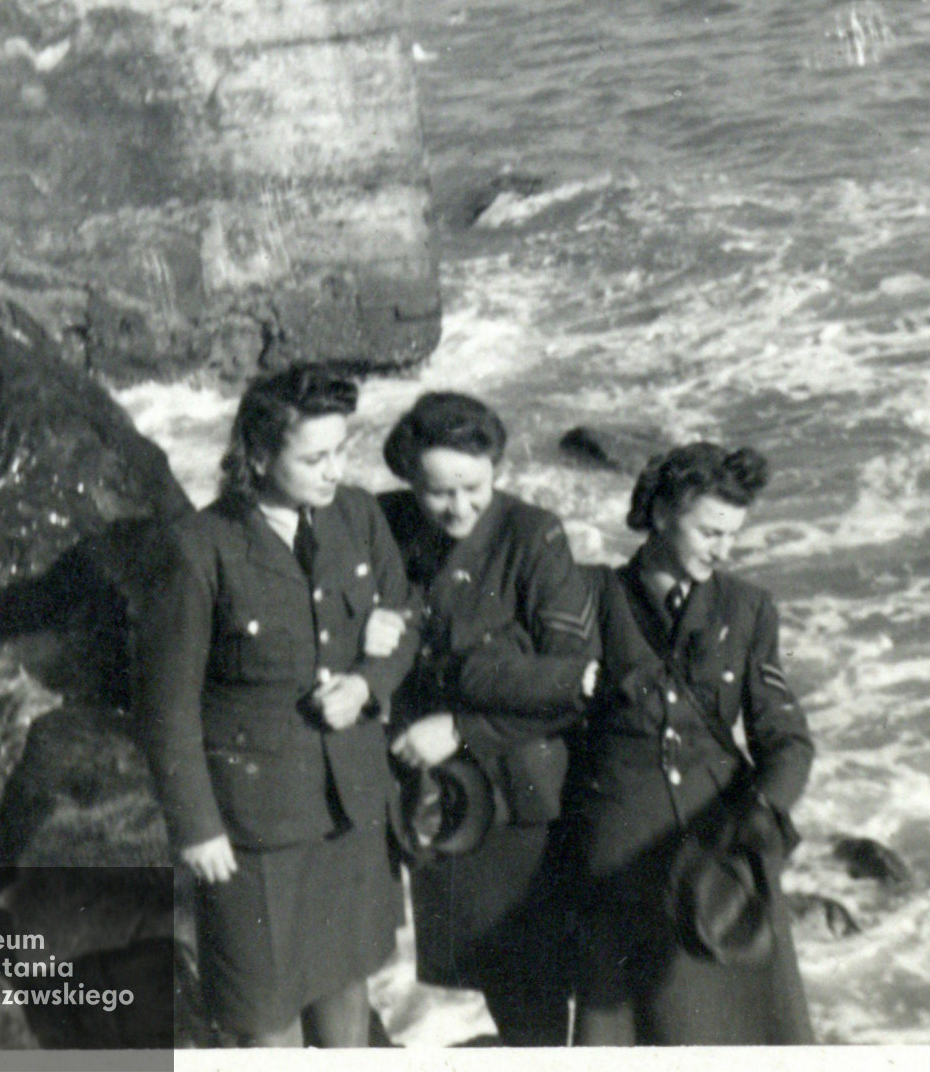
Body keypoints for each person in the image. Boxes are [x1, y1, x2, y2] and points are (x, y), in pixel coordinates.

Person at [134, 365, 417, 1047]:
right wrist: (197, 827)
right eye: (314, 458)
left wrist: (367, 684)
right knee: (264, 1013)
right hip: (254, 828)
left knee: (346, 983)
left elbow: (404, 617)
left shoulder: (358, 515)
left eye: (341, 450)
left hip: (349, 808)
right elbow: (167, 707)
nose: (333, 470)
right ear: (257, 457)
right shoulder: (198, 548)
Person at [572, 442, 816, 1045]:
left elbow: (786, 736)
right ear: (659, 514)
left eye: (732, 535)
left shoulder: (747, 607)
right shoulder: (590, 595)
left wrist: (764, 811)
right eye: (709, 532)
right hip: (623, 844)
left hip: (723, 848)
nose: (723, 550)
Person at [378, 391, 600, 1045]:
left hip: (518, 796)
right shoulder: (386, 521)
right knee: (490, 976)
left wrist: (461, 728)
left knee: (532, 983)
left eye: (474, 487)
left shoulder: (534, 534)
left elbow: (577, 682)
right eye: (437, 492)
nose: (459, 507)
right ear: (409, 478)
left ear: (496, 468)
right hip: (438, 797)